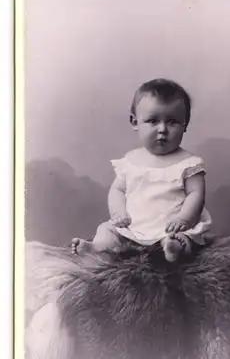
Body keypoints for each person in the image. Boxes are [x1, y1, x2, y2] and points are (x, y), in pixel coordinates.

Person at [72, 78, 212, 262]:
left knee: (186, 239)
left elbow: (196, 195)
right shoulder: (130, 161)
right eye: (153, 121)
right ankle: (96, 247)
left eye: (172, 122)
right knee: (106, 230)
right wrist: (118, 213)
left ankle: (173, 248)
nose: (162, 129)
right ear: (135, 122)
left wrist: (183, 219)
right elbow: (118, 190)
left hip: (170, 228)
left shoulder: (189, 163)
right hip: (133, 228)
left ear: (185, 124)